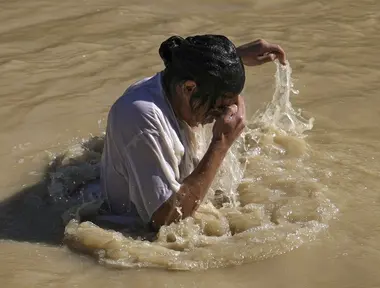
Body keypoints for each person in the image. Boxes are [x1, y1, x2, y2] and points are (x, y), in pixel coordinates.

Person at [90, 35, 286, 232]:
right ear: (189, 88)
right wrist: (221, 143)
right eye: (218, 106)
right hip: (128, 228)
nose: (221, 115)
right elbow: (164, 221)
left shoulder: (171, 85)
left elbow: (198, 74)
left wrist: (234, 58)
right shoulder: (142, 118)